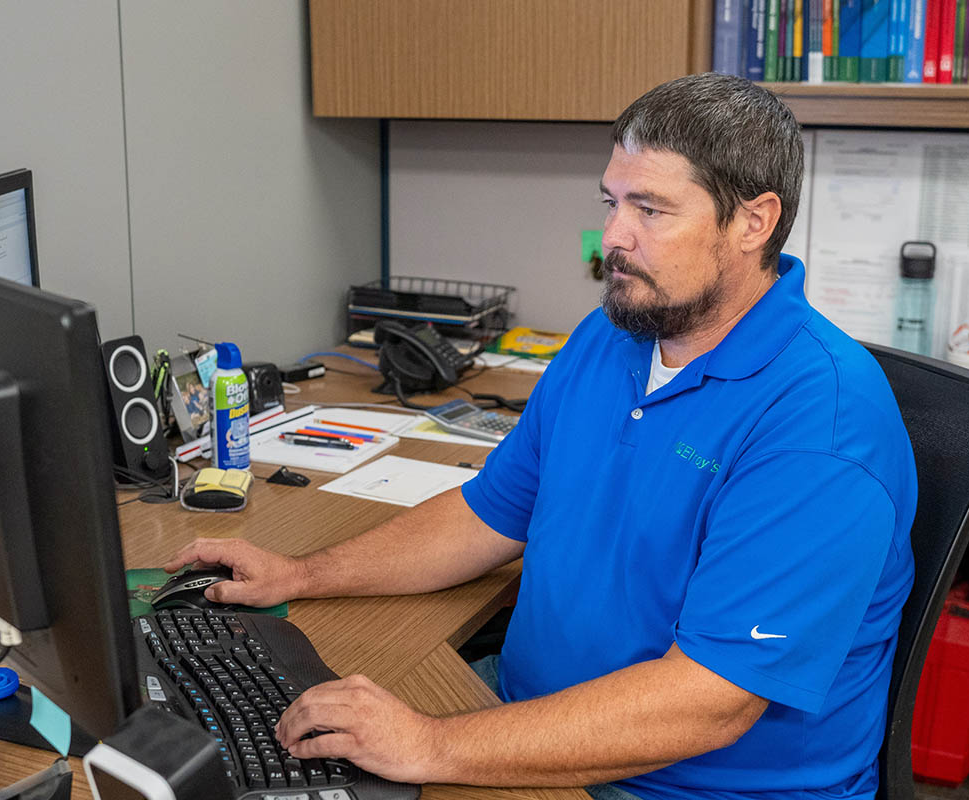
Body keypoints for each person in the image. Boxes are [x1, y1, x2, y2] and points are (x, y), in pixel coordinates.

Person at [165, 73, 916, 800]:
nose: (611, 238)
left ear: (753, 222)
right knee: (241, 754)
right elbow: (489, 513)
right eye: (611, 201)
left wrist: (432, 744)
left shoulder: (823, 423)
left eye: (650, 210)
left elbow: (710, 702)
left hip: (686, 784)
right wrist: (301, 575)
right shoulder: (610, 337)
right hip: (519, 720)